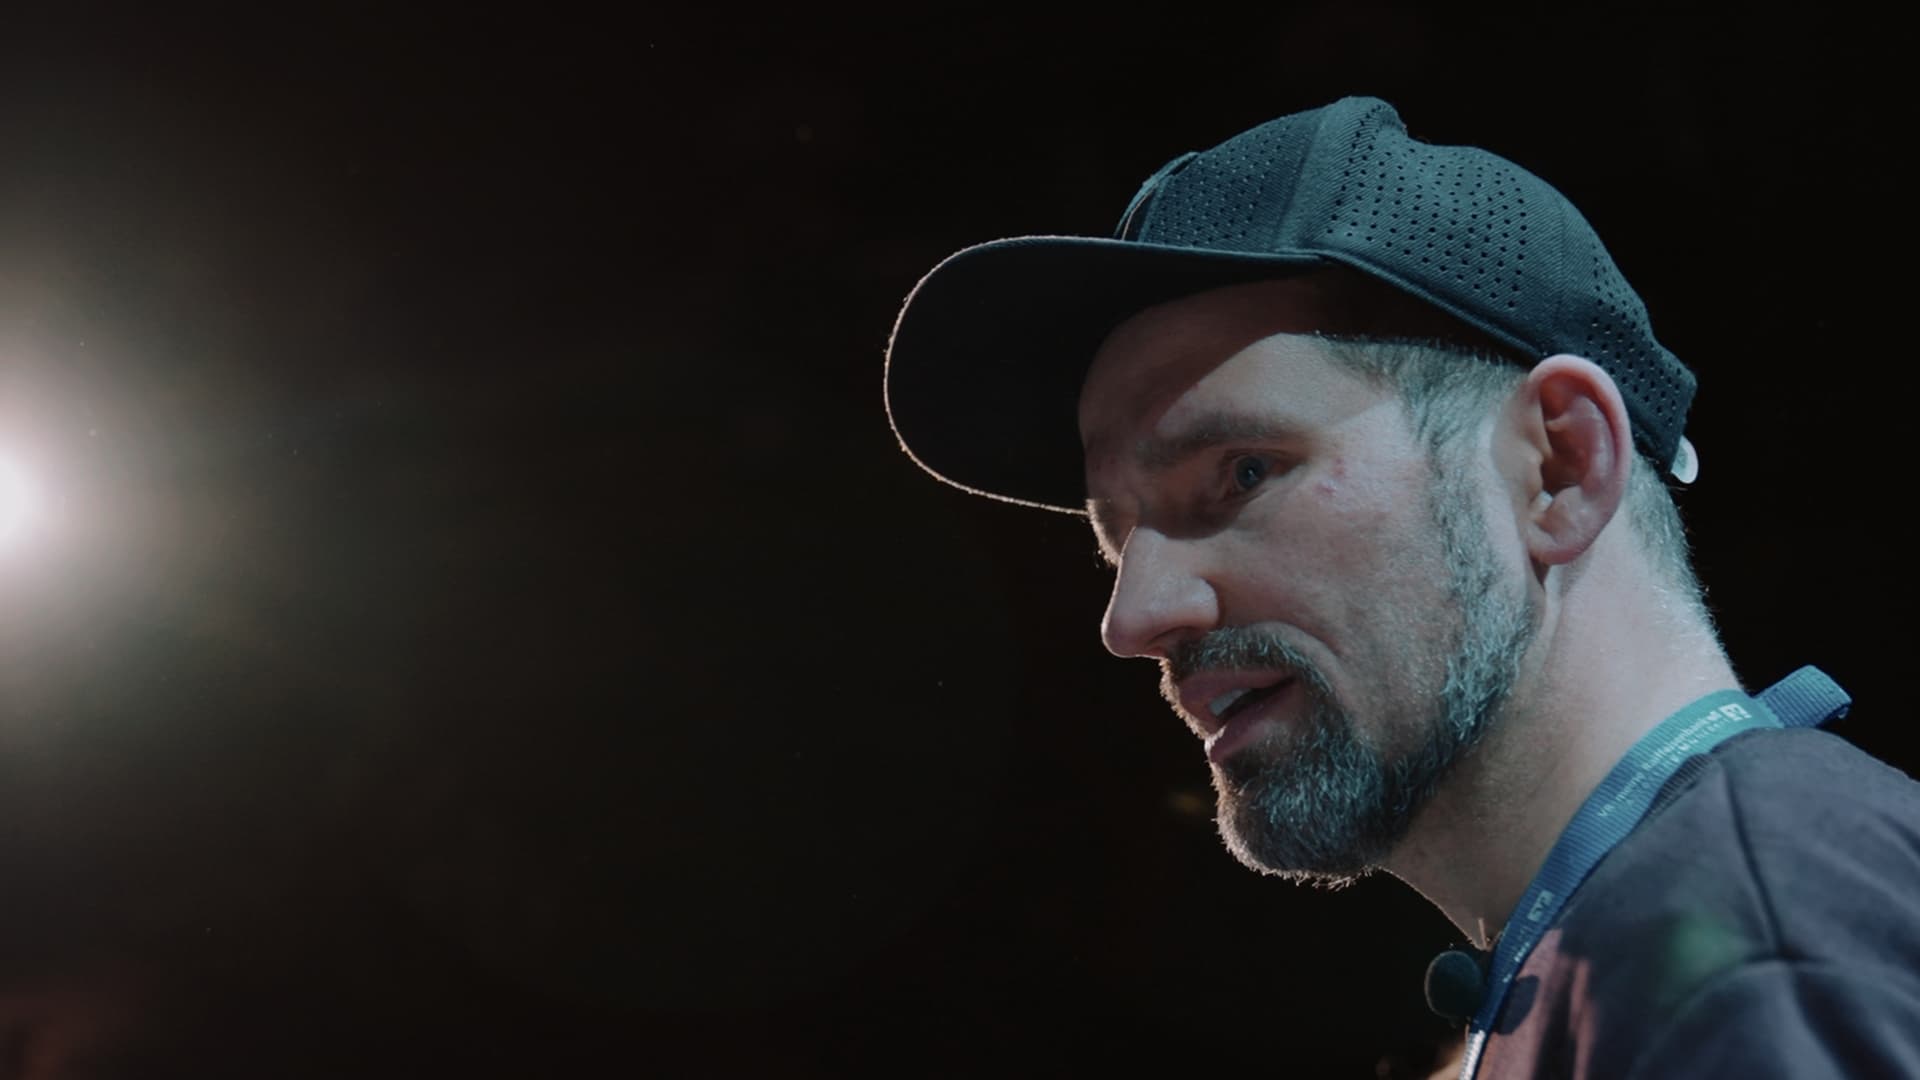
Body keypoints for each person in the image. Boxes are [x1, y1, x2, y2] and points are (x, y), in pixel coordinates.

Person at [882, 97, 1920, 1078]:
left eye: (1242, 473)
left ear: (1558, 468)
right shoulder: (1657, 939)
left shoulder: (1755, 942)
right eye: (1118, 542)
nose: (1134, 618)